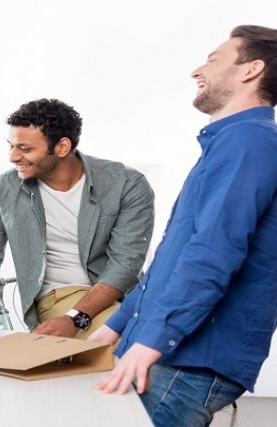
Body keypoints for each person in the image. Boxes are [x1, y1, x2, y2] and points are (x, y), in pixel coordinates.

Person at [92, 25, 277, 426]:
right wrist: (116, 327)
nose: (198, 70)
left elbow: (212, 254)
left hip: (187, 359)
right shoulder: (231, 142)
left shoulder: (249, 143)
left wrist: (153, 341)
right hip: (169, 352)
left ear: (251, 70)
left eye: (213, 60)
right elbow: (172, 260)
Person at [0, 98, 155, 341]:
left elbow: (126, 264)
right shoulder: (2, 190)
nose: (13, 157)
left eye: (25, 148)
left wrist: (76, 318)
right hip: (59, 295)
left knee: (172, 341)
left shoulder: (126, 184)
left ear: (62, 147)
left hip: (126, 294)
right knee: (133, 343)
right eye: (10, 146)